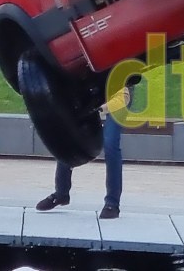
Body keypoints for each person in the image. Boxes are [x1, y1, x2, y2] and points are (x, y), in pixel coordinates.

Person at [39, 84, 126, 218]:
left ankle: (112, 203)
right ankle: (61, 193)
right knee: (69, 137)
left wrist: (98, 110)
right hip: (94, 96)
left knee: (110, 144)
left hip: (118, 97)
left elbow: (123, 99)